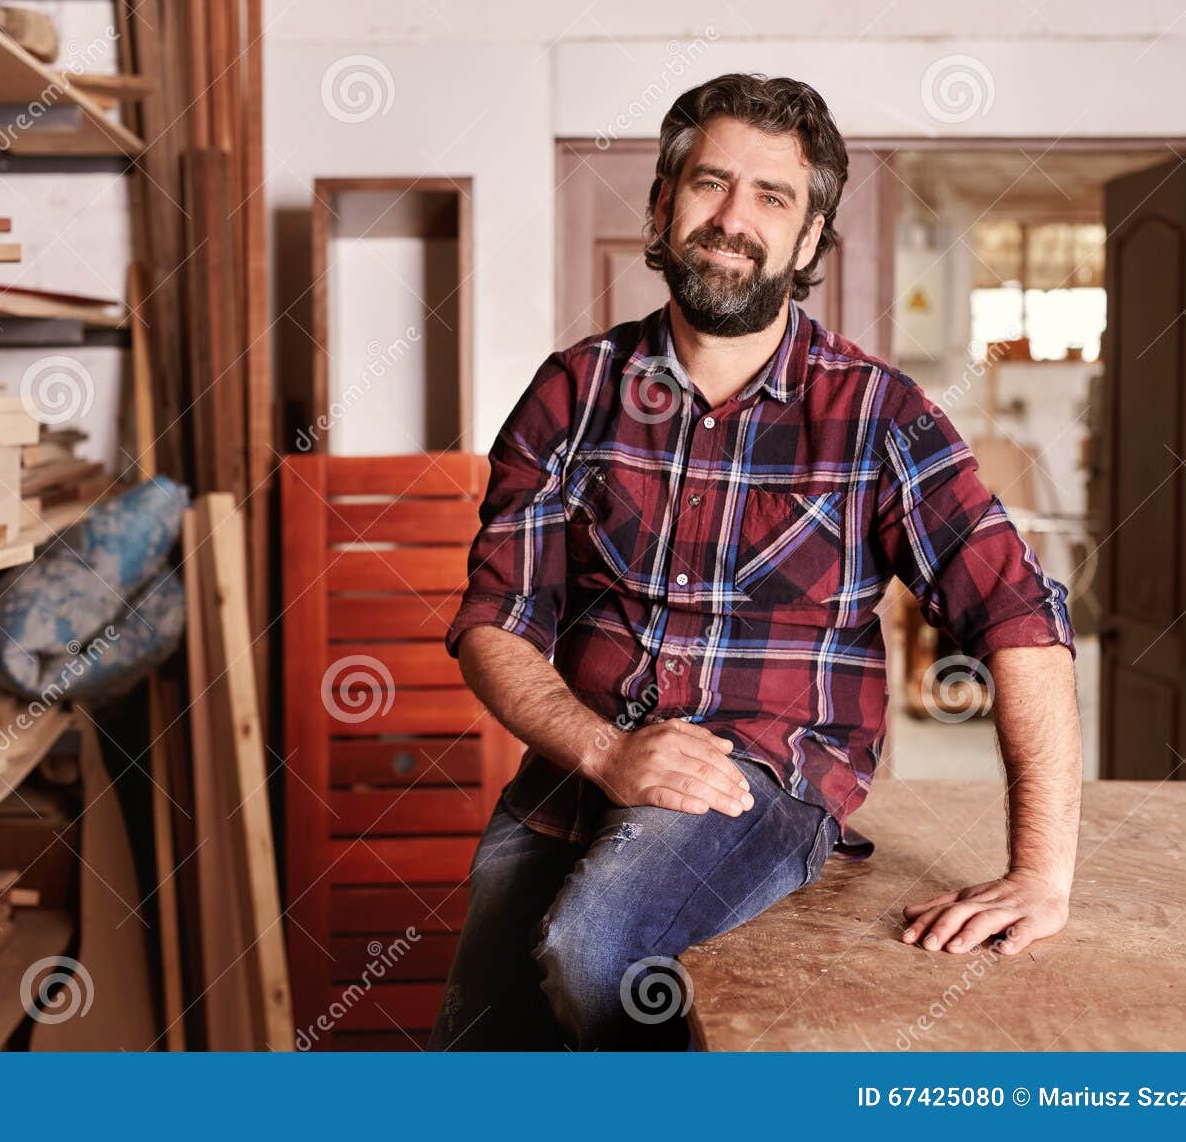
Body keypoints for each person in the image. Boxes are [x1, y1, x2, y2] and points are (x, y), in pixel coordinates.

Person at [428, 73, 1080, 1051]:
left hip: (765, 780)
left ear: (809, 239)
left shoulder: (877, 415)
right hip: (574, 772)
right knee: (471, 1054)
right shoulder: (574, 391)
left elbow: (1019, 617)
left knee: (594, 948)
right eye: (708, 183)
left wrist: (1042, 872)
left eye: (771, 197)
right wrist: (605, 750)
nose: (733, 217)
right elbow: (494, 621)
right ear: (661, 204)